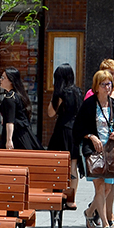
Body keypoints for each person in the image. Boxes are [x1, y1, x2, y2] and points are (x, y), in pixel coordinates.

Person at [73, 69, 114, 228]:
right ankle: (105, 223)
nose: (107, 87)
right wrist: (91, 137)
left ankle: (89, 213)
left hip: (110, 150)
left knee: (108, 189)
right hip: (93, 151)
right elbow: (77, 128)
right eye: (103, 84)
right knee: (100, 188)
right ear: (96, 86)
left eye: (109, 84)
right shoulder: (88, 105)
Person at [47, 62, 81, 210]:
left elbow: (50, 113)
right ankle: (71, 200)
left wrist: (54, 97)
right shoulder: (78, 92)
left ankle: (58, 194)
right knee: (73, 167)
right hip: (75, 131)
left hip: (62, 131)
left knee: (58, 165)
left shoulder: (61, 94)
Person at [0, 67, 42, 150]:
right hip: (23, 134)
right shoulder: (18, 95)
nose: (1, 79)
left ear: (11, 80)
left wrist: (9, 140)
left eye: (3, 78)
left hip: (16, 136)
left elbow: (10, 121)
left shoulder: (10, 98)